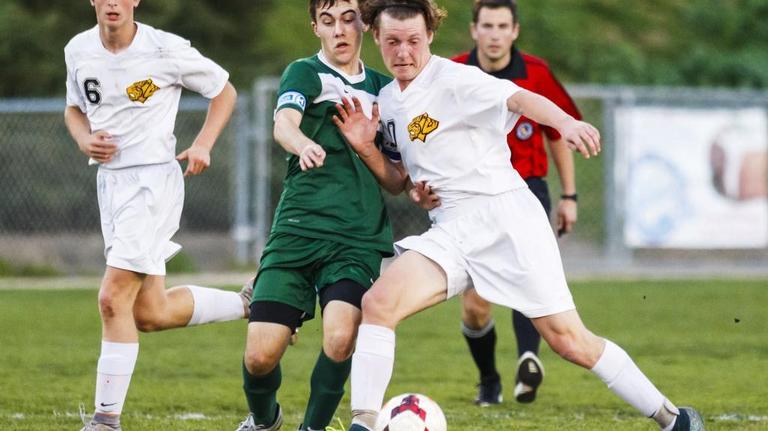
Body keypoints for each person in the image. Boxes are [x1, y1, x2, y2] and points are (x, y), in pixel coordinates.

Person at [331, 1, 704, 430]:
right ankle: (363, 423)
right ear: (375, 37)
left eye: (413, 41)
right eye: (393, 41)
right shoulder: (389, 102)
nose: (403, 52)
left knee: (570, 342)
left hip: (505, 219)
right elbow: (399, 180)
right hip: (450, 229)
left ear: (430, 36)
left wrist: (566, 123)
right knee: (378, 304)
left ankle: (671, 418)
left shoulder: (456, 80)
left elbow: (521, 97)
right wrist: (368, 149)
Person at [64, 1, 239, 430]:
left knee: (111, 298)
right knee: (149, 313)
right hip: (110, 184)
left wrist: (203, 144)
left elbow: (224, 90)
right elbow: (73, 109)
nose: (112, 3)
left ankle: (106, 420)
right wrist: (85, 139)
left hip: (152, 184)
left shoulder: (165, 49)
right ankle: (253, 303)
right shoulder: (78, 49)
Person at [234, 1, 394, 430]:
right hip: (298, 230)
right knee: (260, 355)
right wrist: (302, 143)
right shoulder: (305, 73)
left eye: (348, 19)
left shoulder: (387, 90)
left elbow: (399, 173)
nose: (339, 30)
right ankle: (265, 420)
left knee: (342, 336)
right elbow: (283, 122)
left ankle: (313, 428)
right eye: (328, 22)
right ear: (315, 28)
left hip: (356, 236)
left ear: (364, 24)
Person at [451, 0, 581, 406]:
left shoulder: (536, 73)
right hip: (472, 197)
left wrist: (569, 195)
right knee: (475, 306)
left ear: (515, 31)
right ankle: (489, 380)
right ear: (474, 30)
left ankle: (529, 359)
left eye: (502, 25)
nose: (494, 34)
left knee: (528, 279)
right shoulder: (453, 73)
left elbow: (558, 133)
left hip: (528, 190)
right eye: (486, 25)